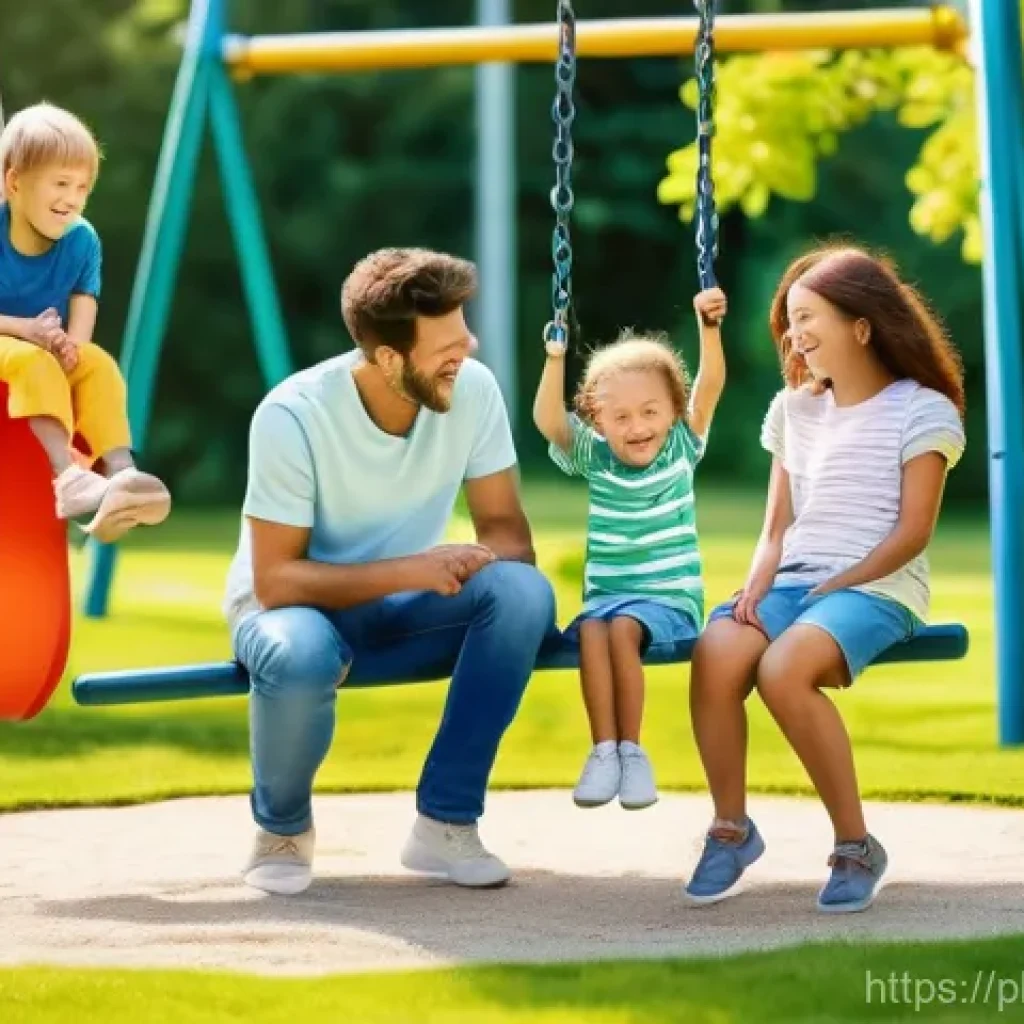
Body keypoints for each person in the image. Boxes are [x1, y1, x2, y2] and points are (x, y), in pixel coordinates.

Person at [224, 247, 557, 896]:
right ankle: (283, 829)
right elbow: (278, 582)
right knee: (300, 653)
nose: (467, 348)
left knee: (522, 593)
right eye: (446, 344)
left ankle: (446, 823)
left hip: (402, 608)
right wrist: (415, 569)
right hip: (291, 613)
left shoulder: (473, 389)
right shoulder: (292, 415)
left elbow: (508, 536)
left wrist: (473, 575)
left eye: (464, 332)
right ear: (387, 359)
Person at [685, 244, 966, 913]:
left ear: (861, 325)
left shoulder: (922, 408)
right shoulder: (793, 409)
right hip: (793, 582)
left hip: (879, 586)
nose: (794, 334)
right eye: (789, 320)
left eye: (808, 317)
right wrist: (755, 585)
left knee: (784, 669)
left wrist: (839, 586)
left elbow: (913, 532)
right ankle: (731, 829)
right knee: (717, 650)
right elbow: (776, 527)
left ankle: (854, 846)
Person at [533, 288, 727, 810]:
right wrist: (555, 359)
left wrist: (708, 328)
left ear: (672, 410)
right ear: (597, 422)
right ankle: (604, 751)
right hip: (607, 596)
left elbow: (709, 385)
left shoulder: (682, 447)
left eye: (649, 412)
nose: (637, 427)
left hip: (667, 600)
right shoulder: (596, 458)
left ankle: (634, 753)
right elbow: (549, 421)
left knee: (619, 629)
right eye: (619, 417)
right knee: (595, 627)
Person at [0, 101, 170, 540]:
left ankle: (120, 470)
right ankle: (67, 476)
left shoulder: (81, 239)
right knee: (32, 362)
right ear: (15, 183)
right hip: (10, 339)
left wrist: (72, 346)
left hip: (44, 342)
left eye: (82, 187)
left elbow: (84, 300)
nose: (72, 198)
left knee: (97, 364)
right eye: (61, 183)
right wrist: (27, 331)